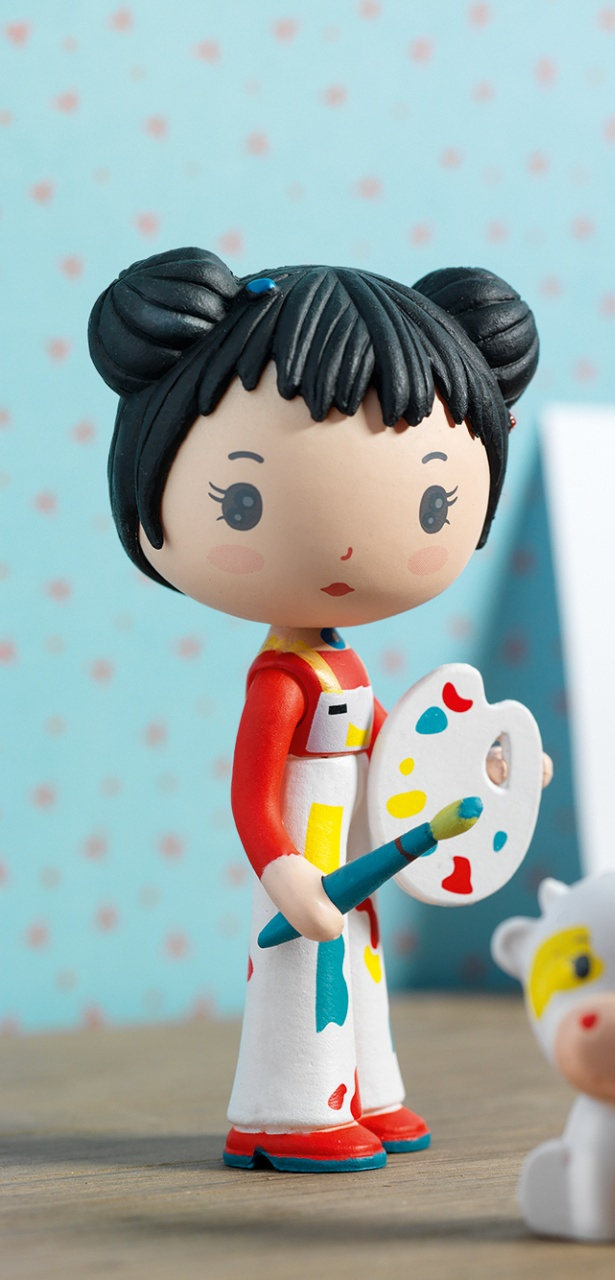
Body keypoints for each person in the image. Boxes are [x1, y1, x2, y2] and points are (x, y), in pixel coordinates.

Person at [88, 248, 540, 1171]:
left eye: (435, 502)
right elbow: (250, 790)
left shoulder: (341, 665)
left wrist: (492, 762)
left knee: (361, 968)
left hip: (360, 858)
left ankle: (369, 1092)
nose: (341, 551)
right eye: (241, 499)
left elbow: (398, 747)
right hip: (307, 860)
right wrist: (282, 867)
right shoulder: (282, 680)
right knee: (302, 979)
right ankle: (287, 1112)